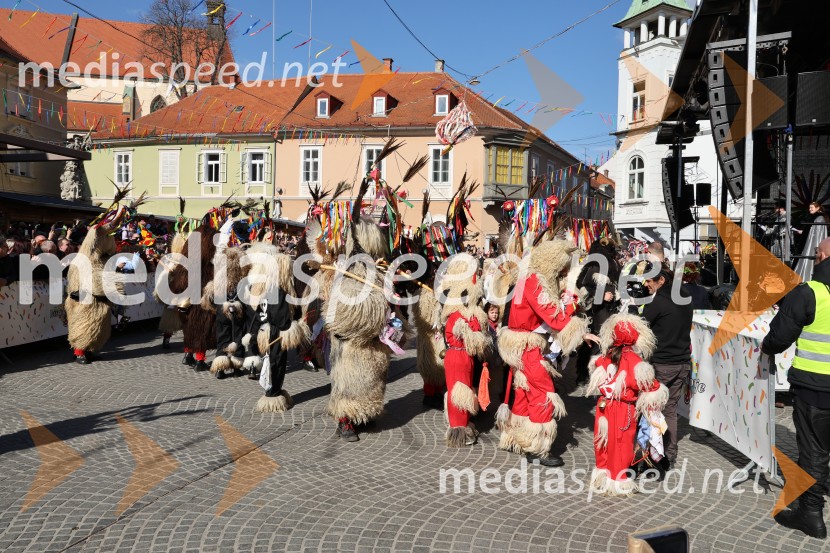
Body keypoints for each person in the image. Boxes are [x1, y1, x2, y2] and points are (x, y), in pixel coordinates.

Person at [496, 239, 594, 467]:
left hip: (521, 345)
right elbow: (551, 314)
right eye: (561, 265)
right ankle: (538, 448)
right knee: (543, 393)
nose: (563, 270)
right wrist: (580, 333)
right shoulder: (534, 281)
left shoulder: (529, 277)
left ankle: (517, 438)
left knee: (523, 391)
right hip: (527, 346)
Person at [761, 236, 830, 539]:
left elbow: (777, 338)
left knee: (814, 451)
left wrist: (765, 345)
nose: (815, 256)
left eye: (817, 253)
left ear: (822, 256)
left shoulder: (810, 293)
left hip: (816, 388)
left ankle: (811, 515)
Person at [586, 313, 667, 496]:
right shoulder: (635, 361)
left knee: (603, 442)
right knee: (621, 445)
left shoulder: (606, 355)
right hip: (623, 408)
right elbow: (651, 387)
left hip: (603, 405)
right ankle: (618, 482)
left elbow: (597, 367)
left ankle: (602, 476)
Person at [640, 266, 694, 473]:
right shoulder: (685, 296)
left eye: (649, 281)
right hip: (681, 362)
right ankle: (669, 453)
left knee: (652, 409)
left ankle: (654, 456)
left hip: (663, 363)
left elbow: (643, 326)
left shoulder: (660, 301)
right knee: (670, 408)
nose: (646, 285)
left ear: (661, 280)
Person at [794, 202, 828, 282]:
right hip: (809, 242)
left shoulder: (819, 218)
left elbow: (817, 234)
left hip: (812, 243)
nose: (810, 209)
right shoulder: (814, 217)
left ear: (818, 208)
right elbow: (811, 231)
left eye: (812, 208)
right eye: (809, 208)